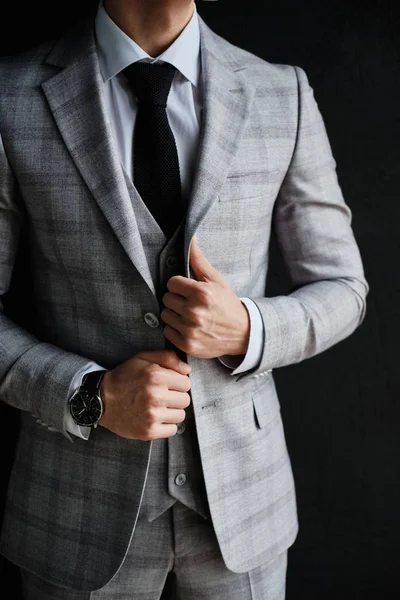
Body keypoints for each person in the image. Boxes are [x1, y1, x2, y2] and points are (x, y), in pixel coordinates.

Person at [0, 0, 369, 598]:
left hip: (245, 510)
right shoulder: (11, 98)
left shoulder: (283, 94)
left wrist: (248, 328)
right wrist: (89, 395)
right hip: (75, 513)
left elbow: (345, 288)